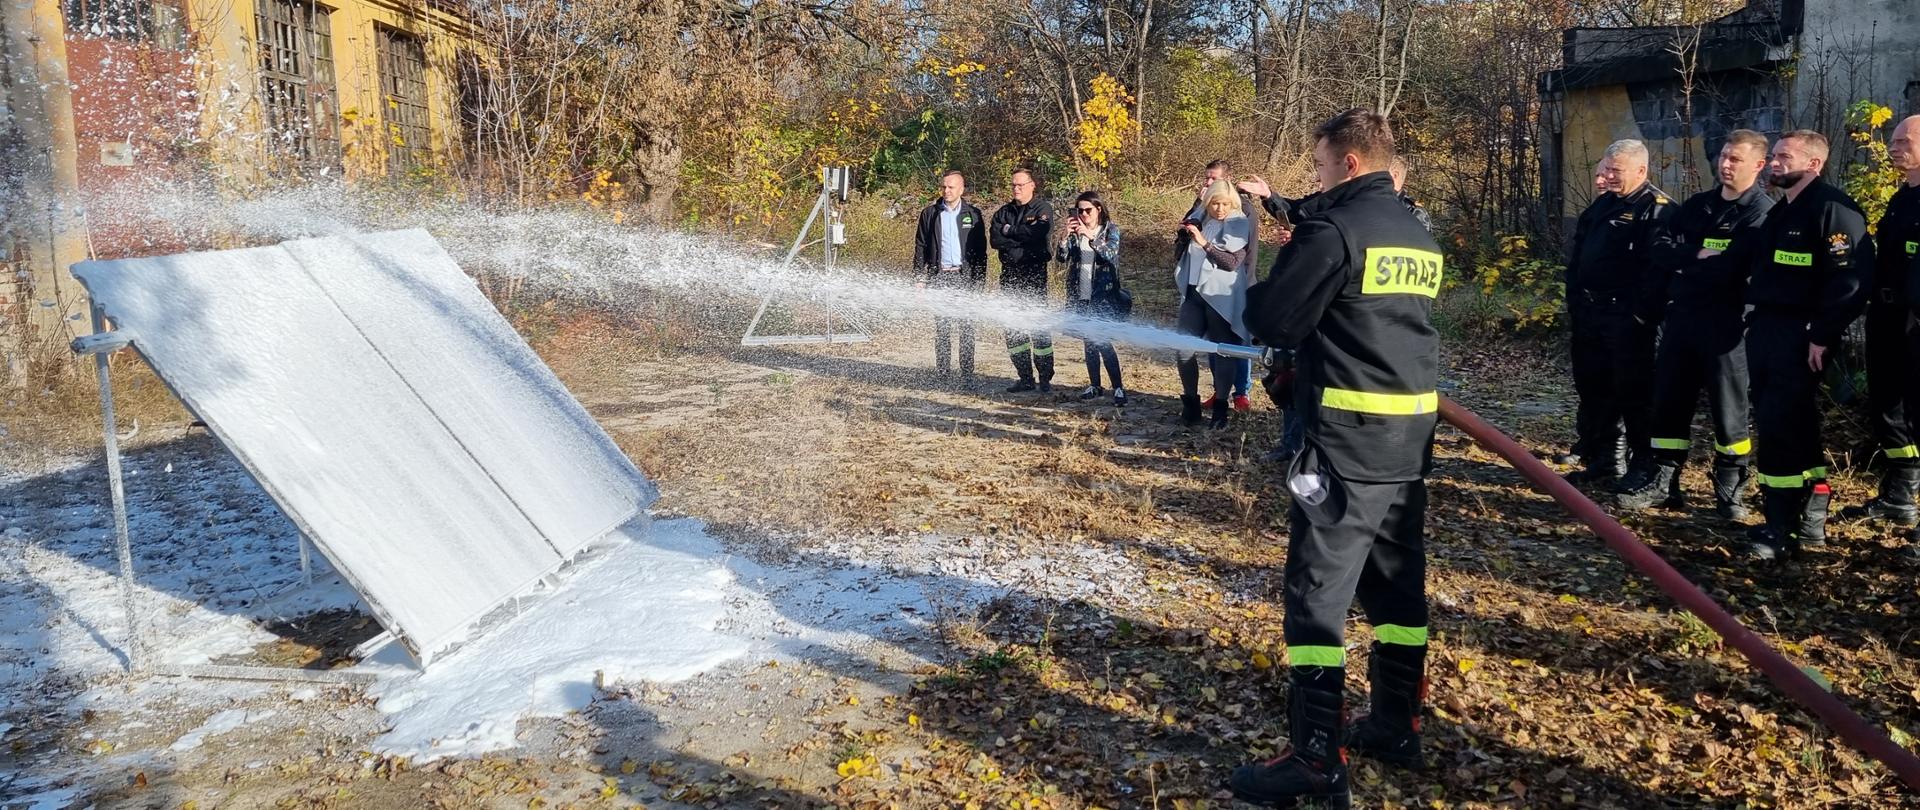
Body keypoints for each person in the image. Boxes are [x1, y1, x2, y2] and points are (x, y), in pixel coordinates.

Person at [1229, 108, 1442, 808]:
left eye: (1319, 163)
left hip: (1347, 446)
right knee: (1397, 589)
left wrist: (1271, 279)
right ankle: (1395, 724)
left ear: (1348, 162)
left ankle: (1316, 759)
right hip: (1406, 446)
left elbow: (1273, 318)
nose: (1314, 174)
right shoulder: (1413, 230)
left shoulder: (1336, 231)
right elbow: (1366, 326)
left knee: (1316, 597)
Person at [1616, 131, 1773, 518]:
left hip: (1726, 328)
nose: (1726, 164)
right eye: (1723, 156)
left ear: (1758, 165)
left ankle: (1730, 489)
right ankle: (1664, 481)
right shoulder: (1699, 205)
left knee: (1729, 411)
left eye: (1736, 159)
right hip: (1682, 320)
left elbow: (1734, 267)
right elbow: (1659, 247)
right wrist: (1694, 255)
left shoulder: (1762, 212)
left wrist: (1691, 260)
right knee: (1669, 402)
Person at [1743, 130, 1873, 561]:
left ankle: (1780, 525)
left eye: (1784, 156)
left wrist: (1822, 334)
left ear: (1814, 164)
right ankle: (1812, 503)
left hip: (1802, 336)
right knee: (1785, 421)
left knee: (1781, 423)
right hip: (1768, 329)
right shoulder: (1783, 211)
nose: (1774, 162)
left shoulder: (1833, 209)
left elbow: (1850, 282)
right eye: (1774, 155)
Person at [1563, 140, 1674, 485]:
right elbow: (1578, 260)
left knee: (1634, 394)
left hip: (1628, 319)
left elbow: (1660, 273)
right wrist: (1577, 305)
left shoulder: (1656, 209)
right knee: (1595, 388)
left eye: (1616, 171)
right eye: (1606, 168)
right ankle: (1607, 460)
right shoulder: (1601, 207)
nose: (1608, 176)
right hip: (1591, 315)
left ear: (1641, 171)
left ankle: (1642, 464)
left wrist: (1641, 317)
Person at [1840, 115, 1920, 528]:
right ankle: (1899, 493)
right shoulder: (1901, 197)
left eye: (1904, 140)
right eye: (1892, 140)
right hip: (1885, 316)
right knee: (1888, 404)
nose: (1894, 147)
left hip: (1914, 320)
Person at [1183, 160, 1260, 412]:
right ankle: (1192, 402)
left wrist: (1204, 242)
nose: (1218, 208)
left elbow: (1233, 261)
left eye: (1213, 179)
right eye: (1214, 202)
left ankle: (1232, 399)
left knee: (1228, 347)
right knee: (1184, 348)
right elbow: (1186, 229)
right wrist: (1197, 209)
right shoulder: (1202, 213)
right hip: (1194, 291)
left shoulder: (1242, 215)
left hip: (1223, 293)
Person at [913, 170, 988, 381]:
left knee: (966, 328)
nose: (946, 191)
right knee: (943, 327)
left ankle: (967, 374)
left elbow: (981, 251)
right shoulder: (930, 214)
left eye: (951, 187)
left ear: (961, 189)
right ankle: (943, 373)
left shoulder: (973, 214)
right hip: (940, 277)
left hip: (964, 277)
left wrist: (979, 281)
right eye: (944, 187)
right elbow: (920, 246)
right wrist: (919, 277)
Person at [1057, 190, 1129, 406]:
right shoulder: (1075, 233)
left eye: (1088, 210)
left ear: (1098, 209)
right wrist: (1064, 238)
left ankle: (1118, 388)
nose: (1084, 214)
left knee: (1103, 341)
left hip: (1104, 294)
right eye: (1079, 211)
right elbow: (1062, 259)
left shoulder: (1110, 230)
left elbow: (1110, 255)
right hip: (1081, 293)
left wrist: (1091, 238)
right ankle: (1095, 385)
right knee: (1088, 341)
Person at [990, 168, 1056, 393]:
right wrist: (1018, 234)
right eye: (1013, 185)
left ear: (1032, 185)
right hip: (1010, 277)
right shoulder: (1003, 212)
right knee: (1013, 328)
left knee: (1037, 326)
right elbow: (996, 240)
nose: (1016, 189)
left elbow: (1037, 234)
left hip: (1034, 275)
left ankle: (1045, 377)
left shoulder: (1042, 209)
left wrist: (1012, 232)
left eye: (1020, 185)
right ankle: (1025, 377)